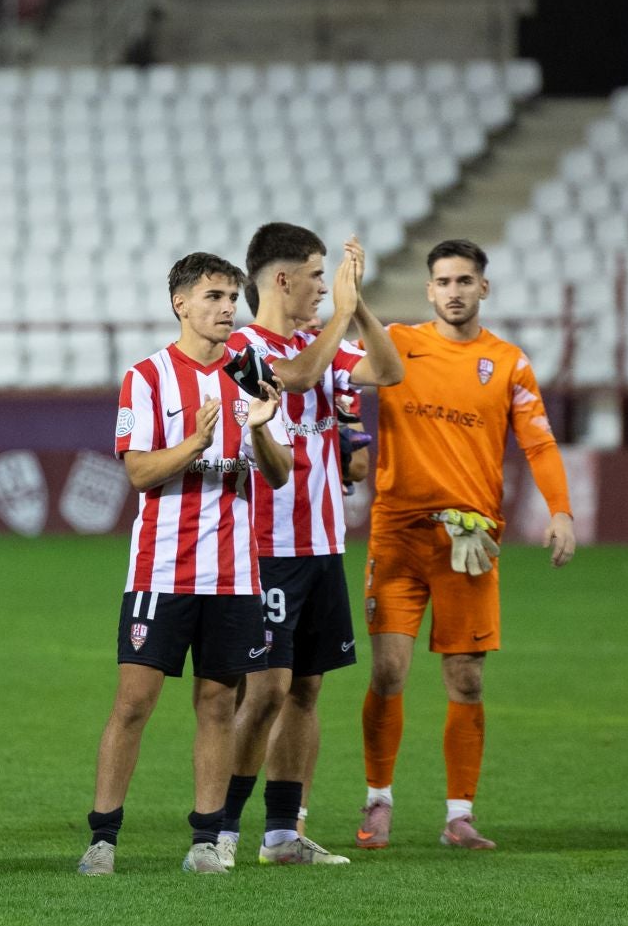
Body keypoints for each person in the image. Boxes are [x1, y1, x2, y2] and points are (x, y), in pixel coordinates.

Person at [357, 239, 577, 851]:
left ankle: (459, 814)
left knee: (467, 679)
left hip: (469, 541)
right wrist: (353, 307)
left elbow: (538, 443)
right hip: (398, 532)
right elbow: (336, 377)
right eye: (443, 281)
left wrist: (560, 510)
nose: (454, 291)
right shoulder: (398, 343)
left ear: (484, 289)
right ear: (429, 291)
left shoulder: (509, 363)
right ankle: (378, 798)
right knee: (388, 669)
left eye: (465, 280)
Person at [78, 252, 290, 877]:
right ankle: (103, 839)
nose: (228, 308)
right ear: (181, 304)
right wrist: (195, 444)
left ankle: (206, 840)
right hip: (160, 572)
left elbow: (277, 475)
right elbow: (138, 471)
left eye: (233, 298)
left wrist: (259, 429)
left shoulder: (254, 376)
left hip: (233, 575)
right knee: (134, 702)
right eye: (215, 297)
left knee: (219, 705)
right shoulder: (146, 378)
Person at [217, 226, 403, 867]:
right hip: (266, 545)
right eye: (318, 275)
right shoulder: (241, 346)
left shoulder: (317, 343)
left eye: (331, 277)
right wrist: (342, 318)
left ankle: (280, 835)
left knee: (306, 691)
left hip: (324, 545)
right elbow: (294, 379)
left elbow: (389, 369)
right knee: (265, 690)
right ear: (281, 280)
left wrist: (363, 307)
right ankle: (221, 830)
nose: (327, 287)